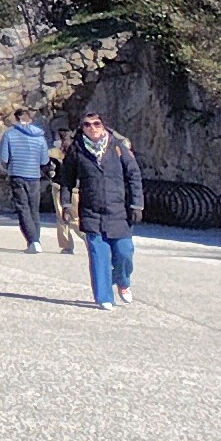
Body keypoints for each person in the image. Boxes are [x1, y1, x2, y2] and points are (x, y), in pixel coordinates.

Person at [65, 110, 146, 309]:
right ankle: (104, 297)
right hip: (91, 212)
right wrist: (66, 204)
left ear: (103, 126)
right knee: (98, 256)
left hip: (119, 211)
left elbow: (134, 175)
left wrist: (137, 204)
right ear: (82, 128)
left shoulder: (117, 147)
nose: (92, 128)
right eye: (87, 124)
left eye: (96, 124)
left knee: (124, 252)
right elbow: (66, 180)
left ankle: (123, 281)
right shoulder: (76, 150)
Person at [0, 106, 52, 247]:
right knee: (34, 210)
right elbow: (44, 160)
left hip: (17, 174)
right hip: (34, 176)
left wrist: (9, 166)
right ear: (29, 119)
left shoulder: (9, 134)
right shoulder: (39, 136)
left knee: (23, 208)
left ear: (16, 118)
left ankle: (33, 241)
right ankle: (36, 239)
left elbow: (4, 158)